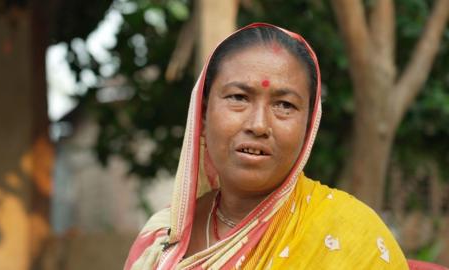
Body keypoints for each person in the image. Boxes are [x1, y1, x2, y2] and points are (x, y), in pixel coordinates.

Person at [124, 23, 408, 269]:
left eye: (284, 105)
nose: (258, 125)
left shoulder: (350, 235)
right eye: (238, 97)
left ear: (309, 125)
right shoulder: (162, 238)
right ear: (203, 112)